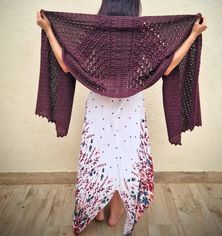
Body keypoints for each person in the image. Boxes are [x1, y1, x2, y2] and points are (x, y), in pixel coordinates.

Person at [36, 0, 207, 234]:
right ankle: (115, 214)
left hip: (98, 105)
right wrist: (192, 35)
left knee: (96, 157)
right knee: (125, 160)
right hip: (131, 106)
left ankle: (95, 206)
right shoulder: (145, 34)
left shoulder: (95, 32)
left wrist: (48, 30)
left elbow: (66, 65)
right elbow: (168, 67)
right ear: (133, 7)